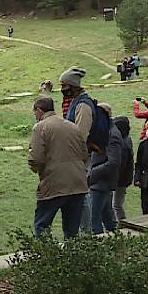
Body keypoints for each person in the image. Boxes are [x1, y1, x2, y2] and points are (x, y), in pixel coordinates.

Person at [28, 97, 88, 240]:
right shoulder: (72, 126)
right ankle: (71, 258)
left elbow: (36, 158)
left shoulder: (40, 127)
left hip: (53, 184)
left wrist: (37, 169)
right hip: (77, 183)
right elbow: (84, 153)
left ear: (39, 110)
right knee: (72, 230)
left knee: (42, 225)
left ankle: (43, 258)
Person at [60, 67, 94, 233]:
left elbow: (81, 135)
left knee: (82, 192)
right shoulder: (75, 101)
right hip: (74, 155)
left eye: (64, 85)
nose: (62, 89)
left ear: (72, 86)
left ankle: (87, 231)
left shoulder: (83, 106)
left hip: (80, 156)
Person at [88, 105, 122, 234]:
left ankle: (98, 246)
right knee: (107, 216)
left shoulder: (112, 135)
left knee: (94, 218)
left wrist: (93, 173)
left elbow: (113, 162)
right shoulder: (106, 131)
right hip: (102, 182)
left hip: (101, 183)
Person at [112, 116, 134, 223]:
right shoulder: (127, 140)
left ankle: (122, 224)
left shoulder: (123, 145)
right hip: (123, 178)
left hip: (120, 179)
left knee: (116, 205)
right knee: (116, 204)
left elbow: (121, 165)